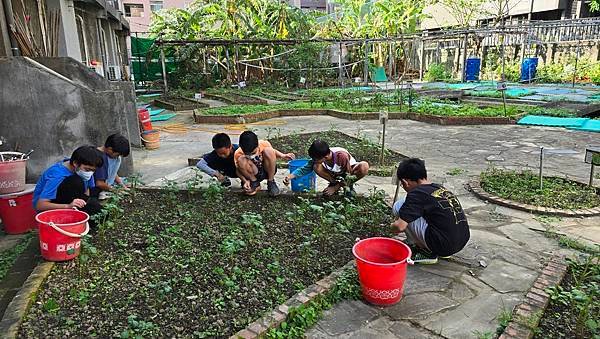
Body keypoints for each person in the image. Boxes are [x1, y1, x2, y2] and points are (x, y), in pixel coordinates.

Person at [391, 158, 470, 264]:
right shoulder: (440, 188)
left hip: (442, 245)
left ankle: (426, 252)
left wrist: (390, 227)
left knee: (399, 206)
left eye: (402, 184)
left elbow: (399, 227)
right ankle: (431, 246)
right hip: (460, 242)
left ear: (405, 182)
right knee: (410, 209)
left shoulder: (416, 194)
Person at [33, 145, 104, 221]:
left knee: (100, 212)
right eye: (87, 169)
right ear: (75, 163)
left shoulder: (83, 169)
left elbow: (87, 192)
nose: (90, 173)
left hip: (73, 200)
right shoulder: (57, 175)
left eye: (93, 170)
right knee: (76, 181)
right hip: (52, 209)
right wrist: (68, 206)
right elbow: (40, 205)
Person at [283, 140, 369, 197]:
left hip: (348, 172)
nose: (313, 160)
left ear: (326, 156)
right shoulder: (319, 156)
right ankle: (333, 183)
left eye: (315, 159)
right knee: (316, 166)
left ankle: (348, 187)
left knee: (364, 166)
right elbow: (305, 168)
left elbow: (348, 175)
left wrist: (336, 188)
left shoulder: (341, 156)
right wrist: (289, 177)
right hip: (335, 174)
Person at [234, 131, 294, 196]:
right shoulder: (238, 153)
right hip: (253, 173)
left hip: (266, 170)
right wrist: (245, 181)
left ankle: (271, 182)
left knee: (269, 150)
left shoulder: (263, 144)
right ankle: (254, 183)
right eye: (247, 154)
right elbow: (238, 171)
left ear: (257, 145)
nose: (251, 156)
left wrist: (283, 155)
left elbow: (273, 152)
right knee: (241, 160)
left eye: (253, 153)